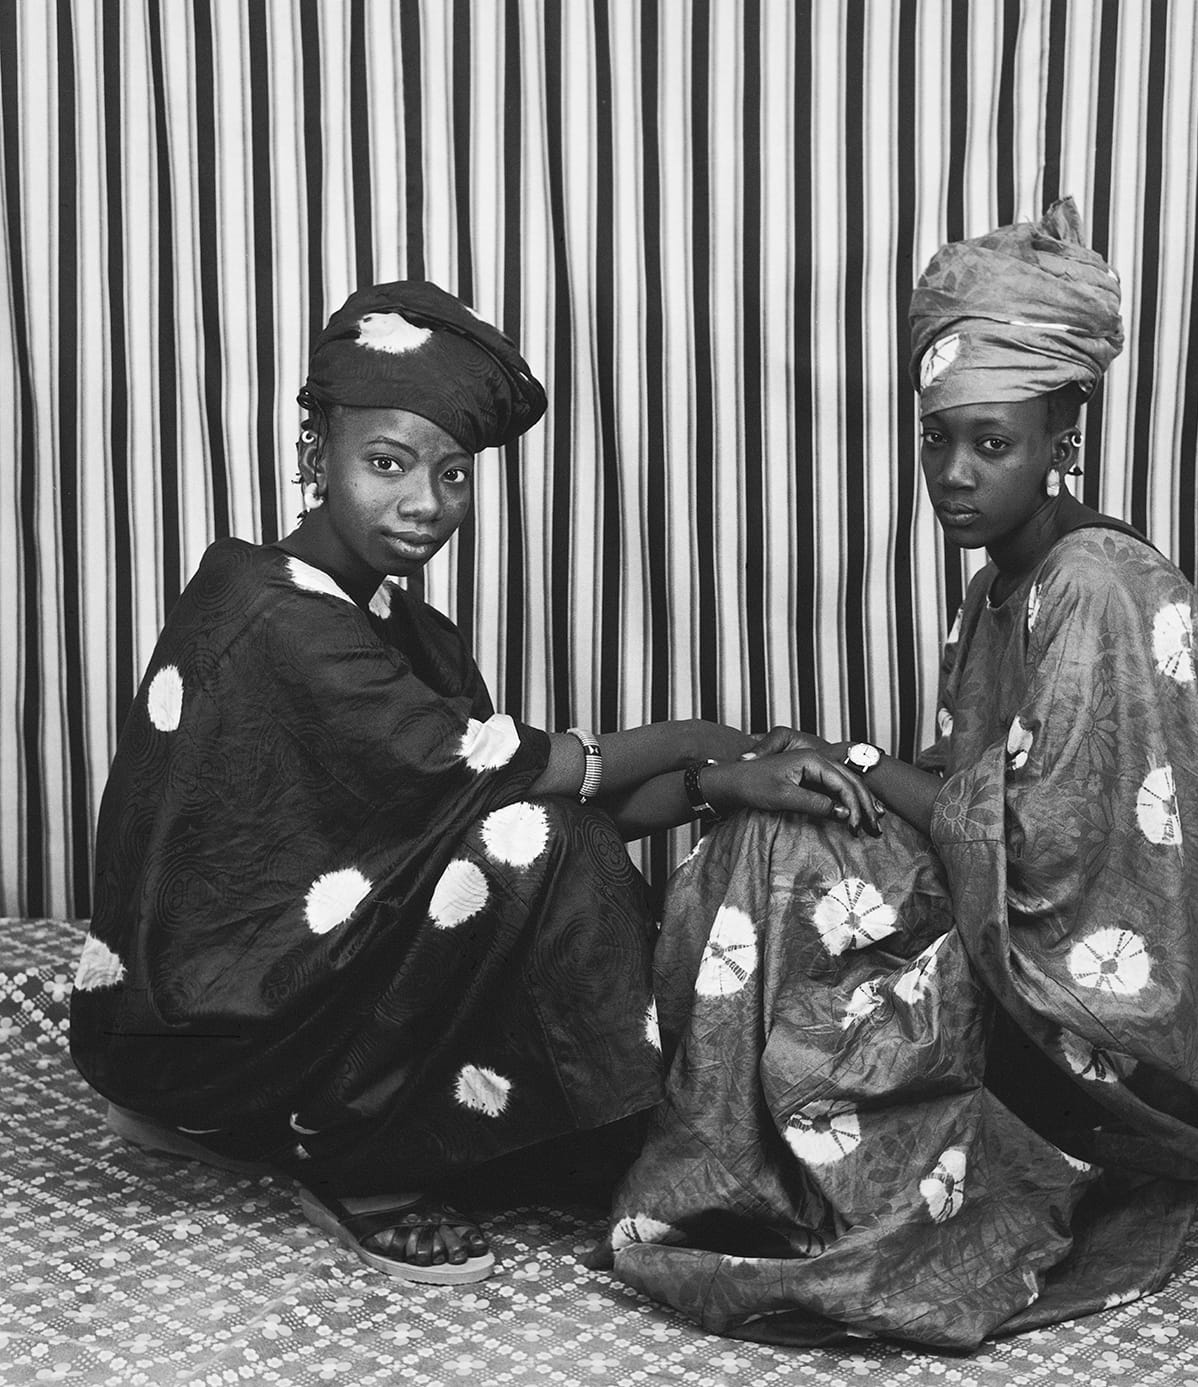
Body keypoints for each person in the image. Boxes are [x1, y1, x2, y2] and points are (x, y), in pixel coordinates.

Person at [68, 281, 880, 1286]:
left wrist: (725, 783)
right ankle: (353, 1160)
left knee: (545, 835)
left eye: (451, 475)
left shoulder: (411, 634)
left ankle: (604, 1121)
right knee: (541, 837)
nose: (423, 504)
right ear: (314, 454)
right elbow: (526, 783)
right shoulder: (268, 612)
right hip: (202, 1032)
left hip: (303, 1011)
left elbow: (530, 803)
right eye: (385, 463)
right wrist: (713, 738)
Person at [598, 200, 1198, 1347]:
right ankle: (746, 1169)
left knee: (789, 839)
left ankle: (780, 1175)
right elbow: (962, 791)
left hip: (1084, 1029)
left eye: (990, 443)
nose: (953, 473)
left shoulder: (1094, 588)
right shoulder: (998, 582)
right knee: (773, 832)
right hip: (999, 924)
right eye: (934, 438)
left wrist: (840, 758)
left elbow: (1042, 863)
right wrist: (798, 769)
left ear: (1062, 441)